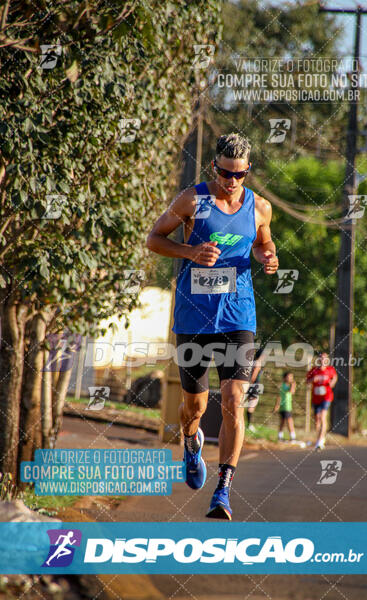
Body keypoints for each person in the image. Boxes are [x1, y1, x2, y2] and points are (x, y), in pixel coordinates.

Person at [146, 133, 279, 520]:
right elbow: (154, 239)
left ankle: (223, 489)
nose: (231, 181)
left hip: (238, 314)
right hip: (194, 316)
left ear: (247, 171)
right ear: (214, 168)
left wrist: (267, 256)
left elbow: (262, 244)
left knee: (235, 399)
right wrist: (189, 251)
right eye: (225, 173)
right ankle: (191, 442)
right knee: (195, 406)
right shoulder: (192, 199)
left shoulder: (260, 207)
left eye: (239, 174)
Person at [306, 352, 337, 450]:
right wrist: (312, 380)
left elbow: (335, 377)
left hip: (326, 397)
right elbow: (307, 381)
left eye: (324, 358)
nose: (323, 360)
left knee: (323, 417)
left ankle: (319, 441)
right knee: (317, 420)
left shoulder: (330, 370)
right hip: (316, 398)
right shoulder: (314, 370)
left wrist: (332, 382)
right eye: (321, 358)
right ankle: (321, 437)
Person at [273, 372, 296, 442]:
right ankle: (293, 437)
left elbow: (292, 392)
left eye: (292, 377)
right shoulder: (284, 386)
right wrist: (293, 385)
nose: (291, 378)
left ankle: (280, 436)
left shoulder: (284, 386)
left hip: (287, 407)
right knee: (290, 421)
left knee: (283, 422)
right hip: (285, 407)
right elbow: (291, 391)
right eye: (289, 377)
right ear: (285, 378)